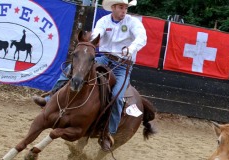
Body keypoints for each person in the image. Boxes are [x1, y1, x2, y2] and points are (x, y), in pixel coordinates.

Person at [32, 0, 147, 151]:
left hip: (122, 66)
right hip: (104, 59)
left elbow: (142, 37)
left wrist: (131, 49)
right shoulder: (104, 21)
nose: (124, 10)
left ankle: (108, 133)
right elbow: (97, 34)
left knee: (117, 97)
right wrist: (91, 41)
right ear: (113, 8)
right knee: (70, 69)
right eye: (121, 7)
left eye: (125, 7)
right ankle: (49, 97)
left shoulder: (132, 23)